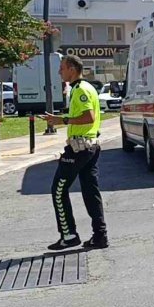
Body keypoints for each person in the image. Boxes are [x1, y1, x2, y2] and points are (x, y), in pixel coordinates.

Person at [42, 54, 108, 251]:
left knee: (59, 189)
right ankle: (100, 236)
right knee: (90, 191)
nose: (59, 72)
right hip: (89, 146)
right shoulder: (85, 88)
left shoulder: (80, 89)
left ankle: (69, 235)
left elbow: (88, 116)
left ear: (72, 68)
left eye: (62, 68)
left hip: (79, 148)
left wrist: (61, 121)